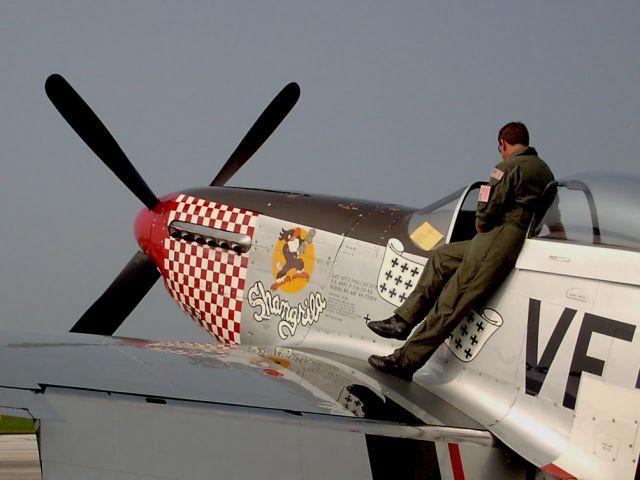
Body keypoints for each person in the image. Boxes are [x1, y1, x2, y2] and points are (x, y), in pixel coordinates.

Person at [368, 122, 555, 381]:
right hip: (514, 239)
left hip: (495, 239)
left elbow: (486, 213)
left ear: (503, 143)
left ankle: (406, 361)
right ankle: (403, 319)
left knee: (451, 303)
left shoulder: (505, 168)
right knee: (442, 256)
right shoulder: (545, 171)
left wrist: (482, 223)